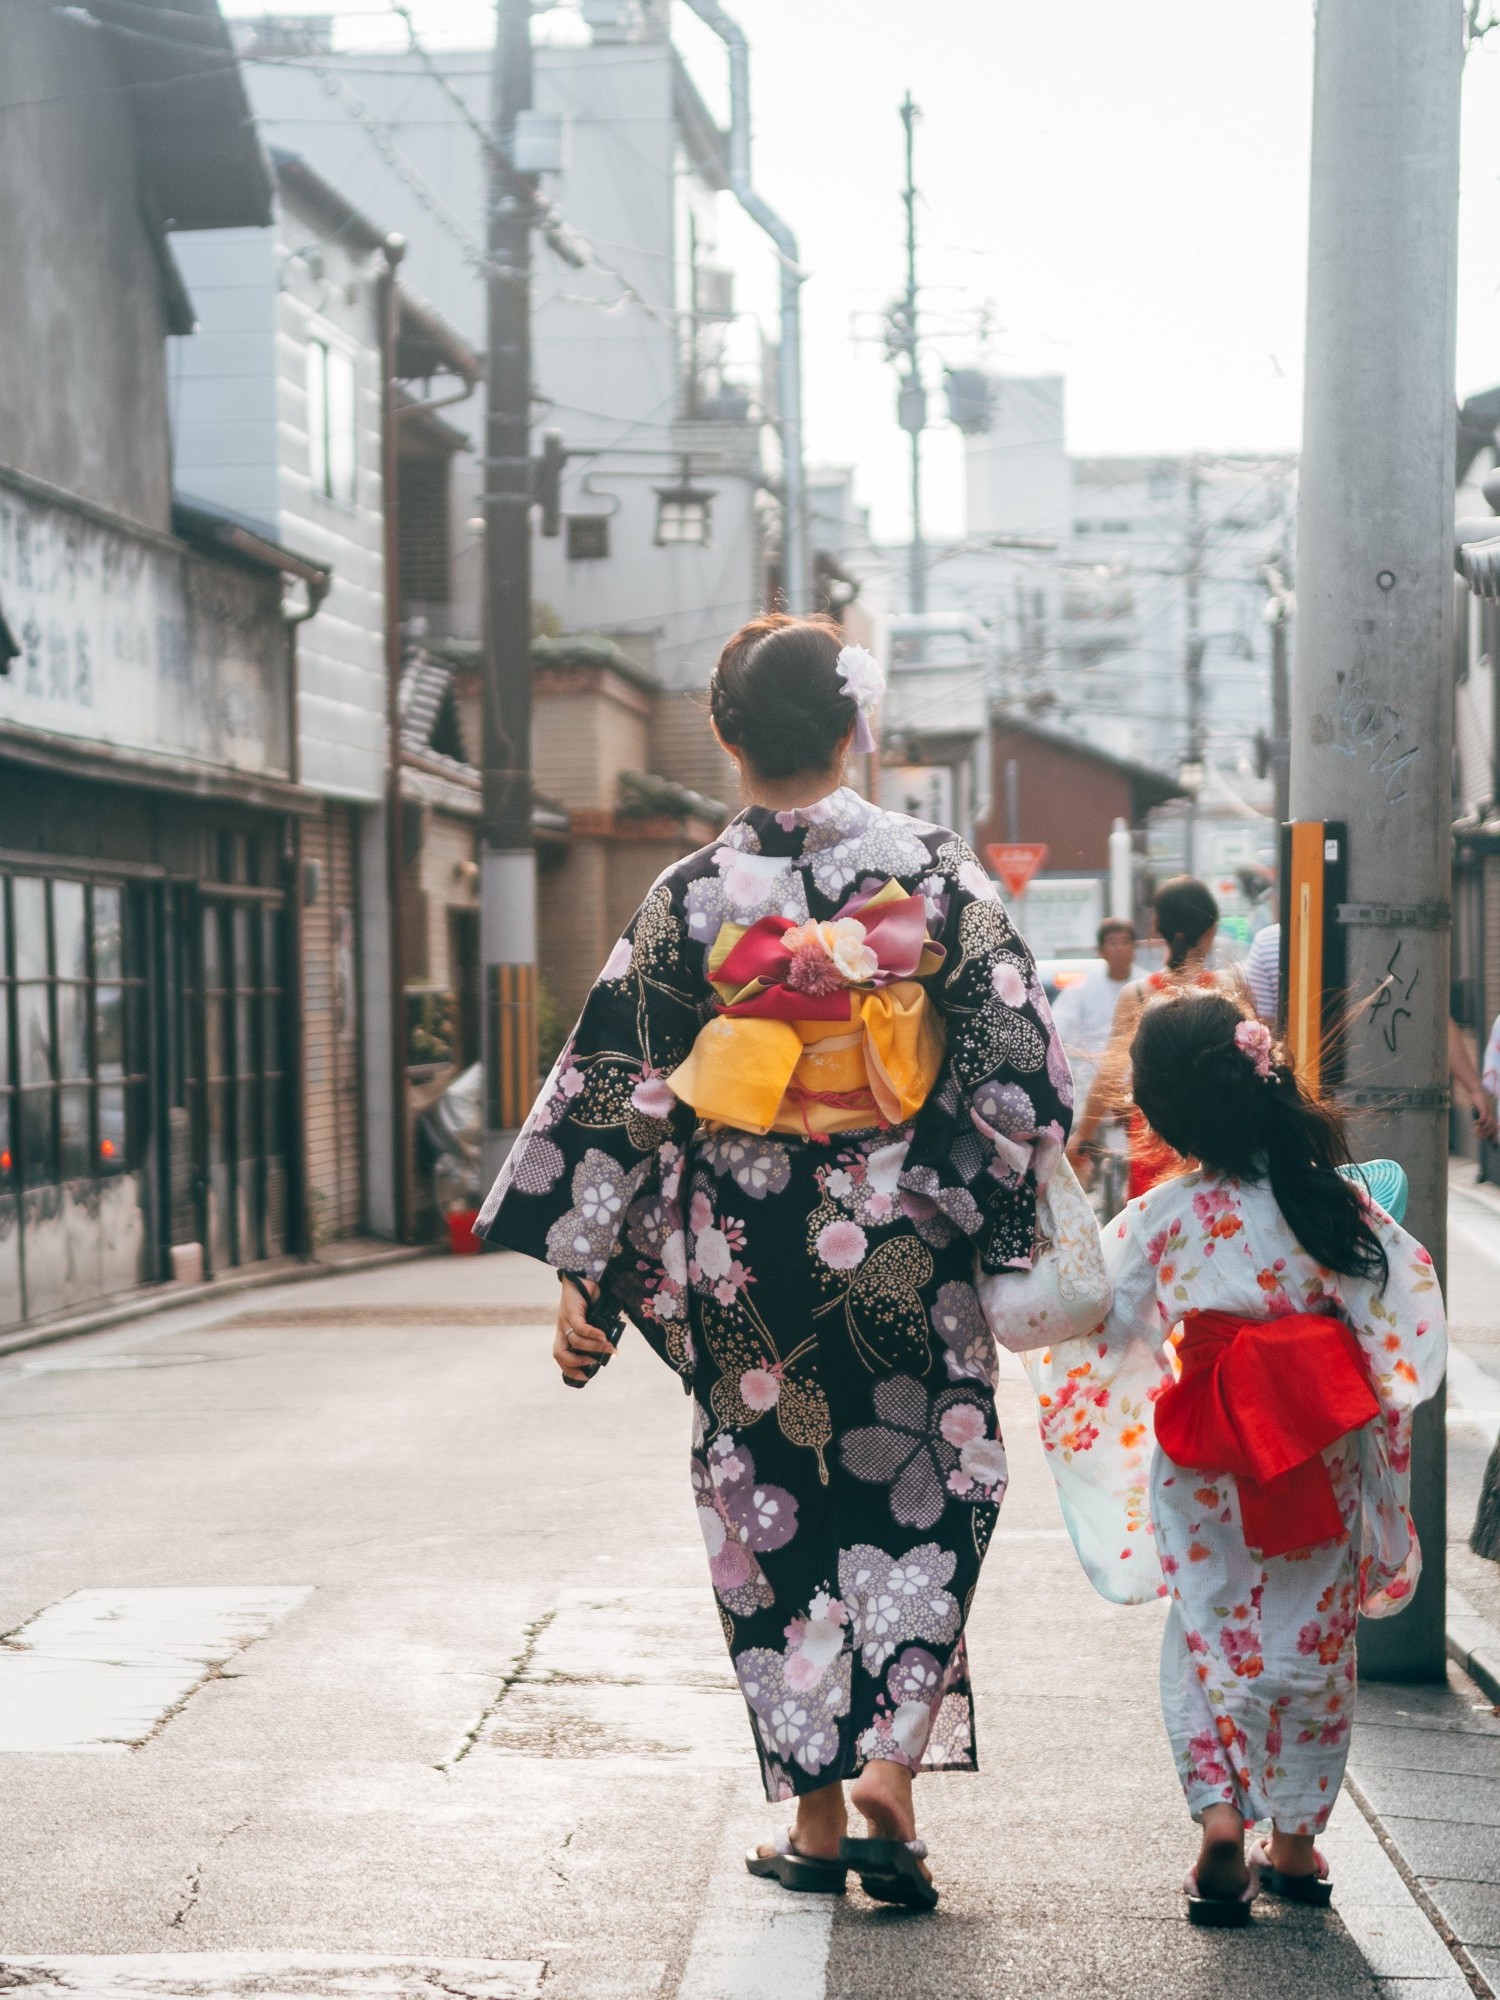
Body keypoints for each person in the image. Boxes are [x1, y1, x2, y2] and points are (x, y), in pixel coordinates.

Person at [474, 613, 1072, 1911]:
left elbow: (618, 1090)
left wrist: (586, 1270)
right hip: (907, 1249)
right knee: (929, 1494)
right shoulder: (942, 877)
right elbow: (1024, 1077)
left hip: (751, 1273)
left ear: (723, 731)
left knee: (773, 1521)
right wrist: (973, 1216)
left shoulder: (694, 897)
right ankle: (889, 1791)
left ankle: (814, 1818)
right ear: (856, 725)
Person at [1028, 992, 1445, 1926]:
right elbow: (1402, 1324)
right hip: (1315, 1446)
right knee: (1313, 1637)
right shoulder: (1332, 1204)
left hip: (1207, 1454)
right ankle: (1293, 1845)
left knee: (1211, 1633)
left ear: (1163, 1116)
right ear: (1263, 1077)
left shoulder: (1161, 1217)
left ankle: (1220, 1816)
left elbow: (1097, 1325)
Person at [1066, 876, 1248, 1198]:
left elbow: (1110, 1074)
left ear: (1157, 927)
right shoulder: (1229, 988)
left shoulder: (1137, 994)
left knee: (1155, 1237)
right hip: (1218, 1133)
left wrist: (1083, 1137)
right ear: (1211, 931)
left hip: (1154, 1136)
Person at [1049, 918, 1142, 1103]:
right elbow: (1058, 1032)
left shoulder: (1146, 985)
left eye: (1125, 942)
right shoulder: (1081, 988)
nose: (1120, 948)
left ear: (1134, 948)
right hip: (1091, 1083)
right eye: (1113, 943)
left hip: (1137, 1084)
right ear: (1101, 951)